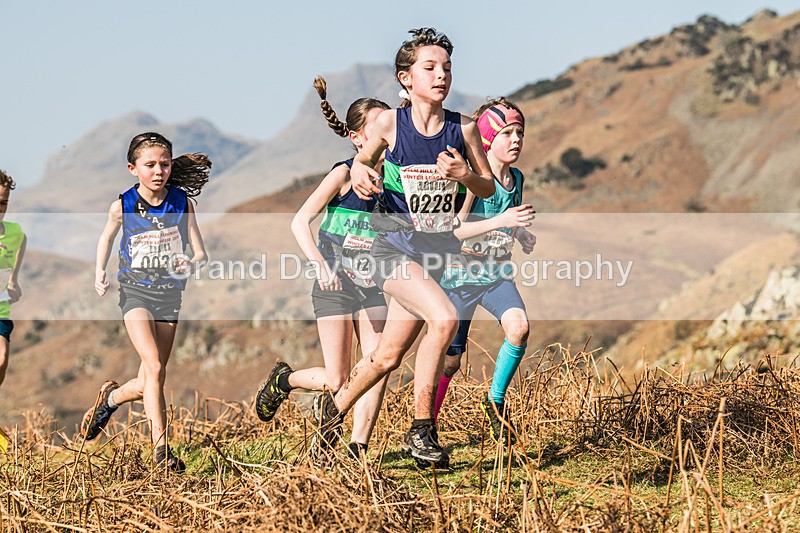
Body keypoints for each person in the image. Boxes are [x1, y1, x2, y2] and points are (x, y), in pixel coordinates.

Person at [312, 28, 496, 467]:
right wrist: (361, 174)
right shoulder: (388, 124)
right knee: (445, 318)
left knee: (386, 357)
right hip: (390, 250)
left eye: (447, 68)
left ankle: (327, 419)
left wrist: (463, 175)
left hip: (436, 254)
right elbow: (360, 160)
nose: (441, 76)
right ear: (406, 78)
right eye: (429, 68)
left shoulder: (463, 128)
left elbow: (487, 186)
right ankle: (421, 429)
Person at [255, 77, 390, 459]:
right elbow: (300, 222)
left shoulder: (393, 178)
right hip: (334, 282)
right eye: (377, 128)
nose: (385, 135)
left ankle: (357, 446)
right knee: (338, 379)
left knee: (379, 364)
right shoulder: (344, 174)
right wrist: (320, 266)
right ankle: (285, 379)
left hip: (373, 284)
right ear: (357, 137)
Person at [80, 132, 210, 472]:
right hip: (135, 293)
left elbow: (200, 252)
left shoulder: (182, 203)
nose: (159, 171)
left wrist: (189, 262)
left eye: (164, 164)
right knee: (153, 367)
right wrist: (99, 273)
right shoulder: (122, 204)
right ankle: (161, 451)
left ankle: (109, 400)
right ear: (132, 168)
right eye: (150, 165)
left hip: (170, 295)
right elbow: (106, 238)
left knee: (152, 378)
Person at [436, 99, 536, 447]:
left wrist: (520, 234)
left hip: (496, 276)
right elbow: (454, 232)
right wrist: (502, 221)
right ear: (488, 138)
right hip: (459, 277)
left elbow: (507, 222)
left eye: (519, 132)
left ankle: (494, 402)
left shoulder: (517, 178)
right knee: (450, 364)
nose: (516, 139)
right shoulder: (474, 181)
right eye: (507, 132)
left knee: (519, 328)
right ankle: (426, 427)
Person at [0, 170, 26, 451]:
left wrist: (13, 283)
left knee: (1, 358)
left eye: (3, 203)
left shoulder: (15, 234)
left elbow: (12, 278)